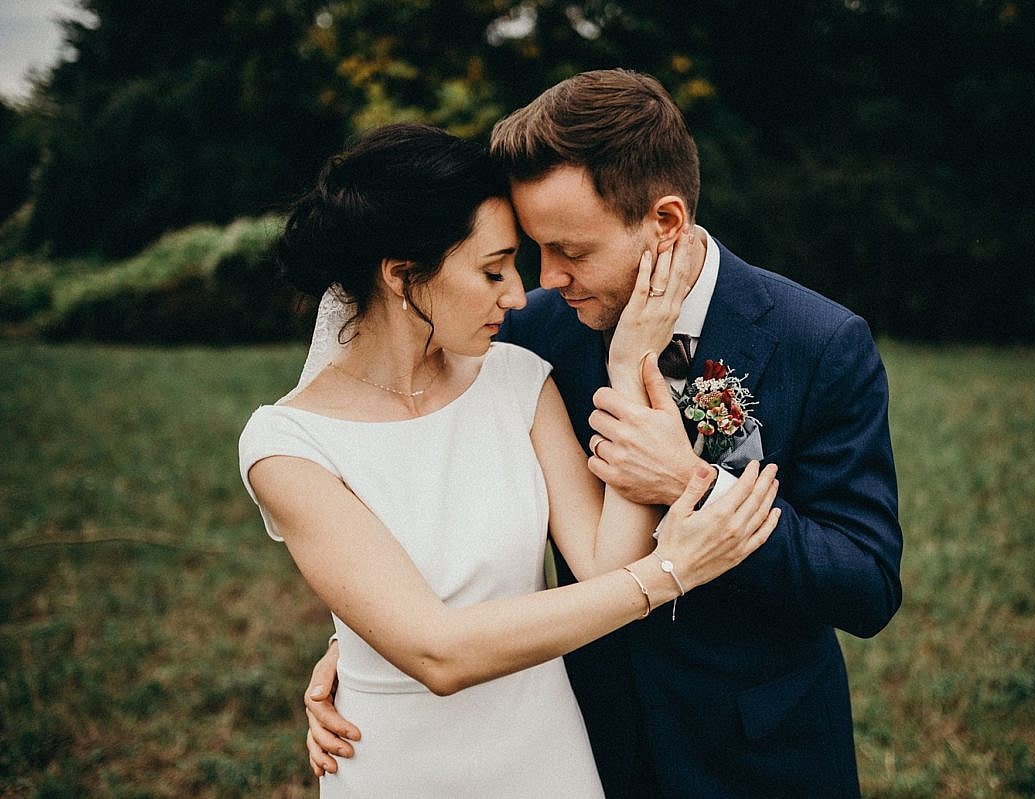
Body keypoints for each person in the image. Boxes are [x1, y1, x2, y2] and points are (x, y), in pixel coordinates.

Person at [305, 71, 904, 797]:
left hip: (758, 752)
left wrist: (694, 484)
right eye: (533, 249)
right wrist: (362, 641)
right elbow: (431, 479)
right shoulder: (531, 334)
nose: (545, 278)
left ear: (666, 223)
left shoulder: (817, 341)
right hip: (586, 740)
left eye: (572, 251)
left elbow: (867, 585)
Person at [237, 122, 782, 797]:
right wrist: (671, 571)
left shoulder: (516, 378)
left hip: (546, 755)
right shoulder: (288, 444)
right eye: (493, 269)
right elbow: (438, 650)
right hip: (400, 765)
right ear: (404, 276)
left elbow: (601, 567)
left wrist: (626, 362)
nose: (521, 294)